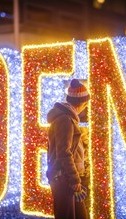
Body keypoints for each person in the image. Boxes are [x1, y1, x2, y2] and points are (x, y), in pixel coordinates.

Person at [46, 79, 90, 219]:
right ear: (81, 103)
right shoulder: (65, 120)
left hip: (67, 178)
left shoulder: (68, 118)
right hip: (64, 178)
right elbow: (64, 152)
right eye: (85, 103)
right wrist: (75, 180)